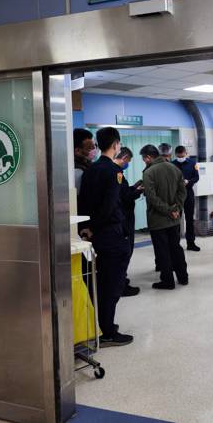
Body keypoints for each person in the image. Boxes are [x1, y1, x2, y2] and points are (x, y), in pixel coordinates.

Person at [77, 127, 133, 347]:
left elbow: (84, 201)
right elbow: (109, 206)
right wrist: (95, 227)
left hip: (94, 236)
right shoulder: (113, 171)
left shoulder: (91, 169)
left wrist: (87, 227)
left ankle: (101, 325)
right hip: (110, 234)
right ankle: (108, 332)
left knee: (98, 283)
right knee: (112, 285)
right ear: (116, 145)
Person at [140, 144, 189, 289]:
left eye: (144, 159)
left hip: (158, 219)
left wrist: (168, 210)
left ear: (148, 157)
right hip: (174, 219)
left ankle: (167, 281)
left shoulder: (148, 173)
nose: (144, 161)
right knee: (176, 248)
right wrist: (176, 209)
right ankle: (183, 277)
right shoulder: (174, 168)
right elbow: (183, 192)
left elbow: (152, 198)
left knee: (162, 251)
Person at [114, 147, 143, 297]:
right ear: (124, 157)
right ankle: (121, 285)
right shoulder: (115, 173)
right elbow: (124, 198)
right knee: (125, 252)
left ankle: (122, 280)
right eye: (129, 161)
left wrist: (134, 187)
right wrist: (138, 191)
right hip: (123, 219)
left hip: (124, 217)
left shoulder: (118, 173)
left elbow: (124, 192)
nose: (128, 164)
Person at [172, 145, 200, 251]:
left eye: (182, 155)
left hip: (188, 194)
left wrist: (188, 182)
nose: (180, 157)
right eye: (178, 155)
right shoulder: (172, 164)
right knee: (176, 219)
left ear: (186, 153)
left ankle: (191, 243)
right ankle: (175, 244)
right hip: (176, 195)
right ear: (176, 154)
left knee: (189, 219)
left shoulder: (192, 163)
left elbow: (196, 177)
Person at [73, 128, 97, 194]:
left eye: (94, 147)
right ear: (77, 151)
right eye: (89, 148)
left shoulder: (89, 165)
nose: (94, 150)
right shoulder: (77, 172)